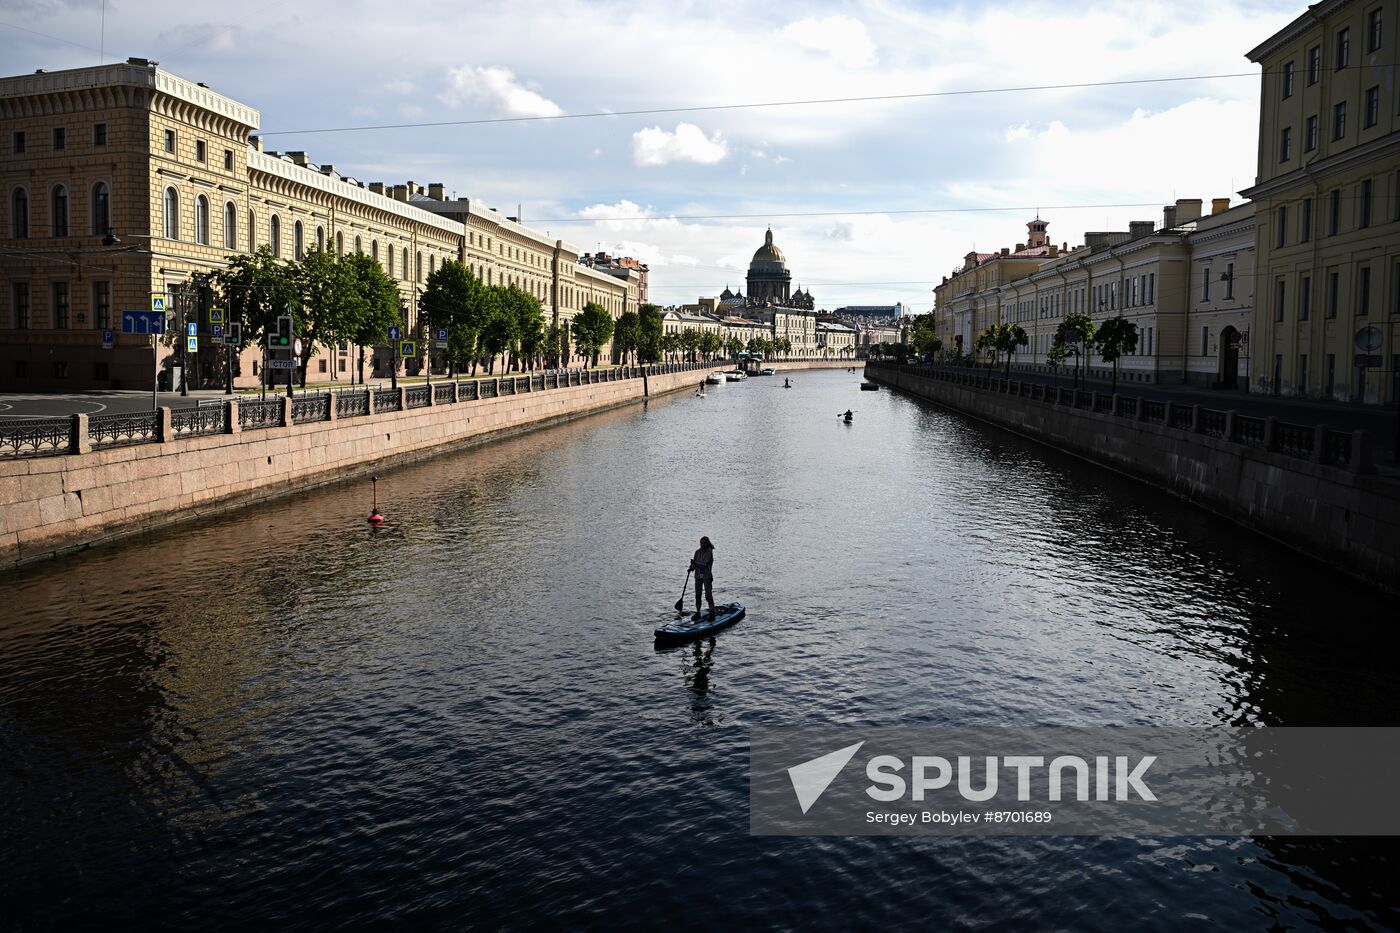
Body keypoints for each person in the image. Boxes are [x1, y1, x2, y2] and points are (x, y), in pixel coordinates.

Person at [689, 536, 716, 620]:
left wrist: (695, 563)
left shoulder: (709, 552)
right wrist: (691, 568)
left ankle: (712, 612)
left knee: (708, 596)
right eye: (701, 543)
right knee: (698, 595)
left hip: (706, 576)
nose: (702, 545)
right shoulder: (697, 552)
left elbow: (704, 564)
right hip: (698, 576)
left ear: (707, 543)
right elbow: (695, 565)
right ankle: (698, 612)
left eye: (704, 543)